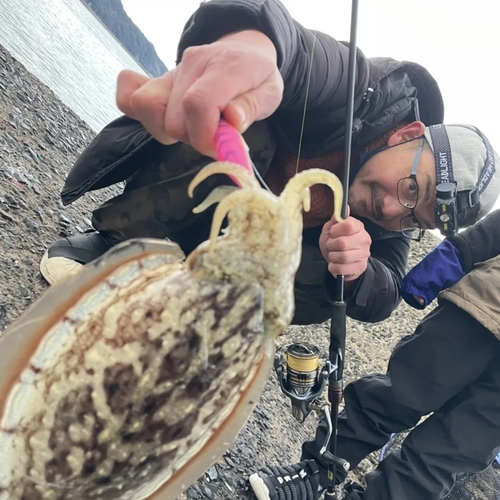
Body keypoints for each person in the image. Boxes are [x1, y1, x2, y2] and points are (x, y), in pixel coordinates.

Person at [40, 0, 500, 329]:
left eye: (413, 219)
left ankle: (213, 313)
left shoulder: (395, 219)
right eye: (412, 189)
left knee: (332, 277)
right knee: (241, 119)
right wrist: (256, 42)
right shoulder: (364, 90)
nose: (394, 211)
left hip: (245, 262)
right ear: (408, 134)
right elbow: (302, 53)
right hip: (210, 198)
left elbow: (388, 290)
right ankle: (115, 242)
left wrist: (359, 271)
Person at [250, 208, 500, 500]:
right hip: (482, 309)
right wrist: (434, 271)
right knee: (398, 395)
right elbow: (485, 235)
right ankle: (317, 470)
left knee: (456, 450)